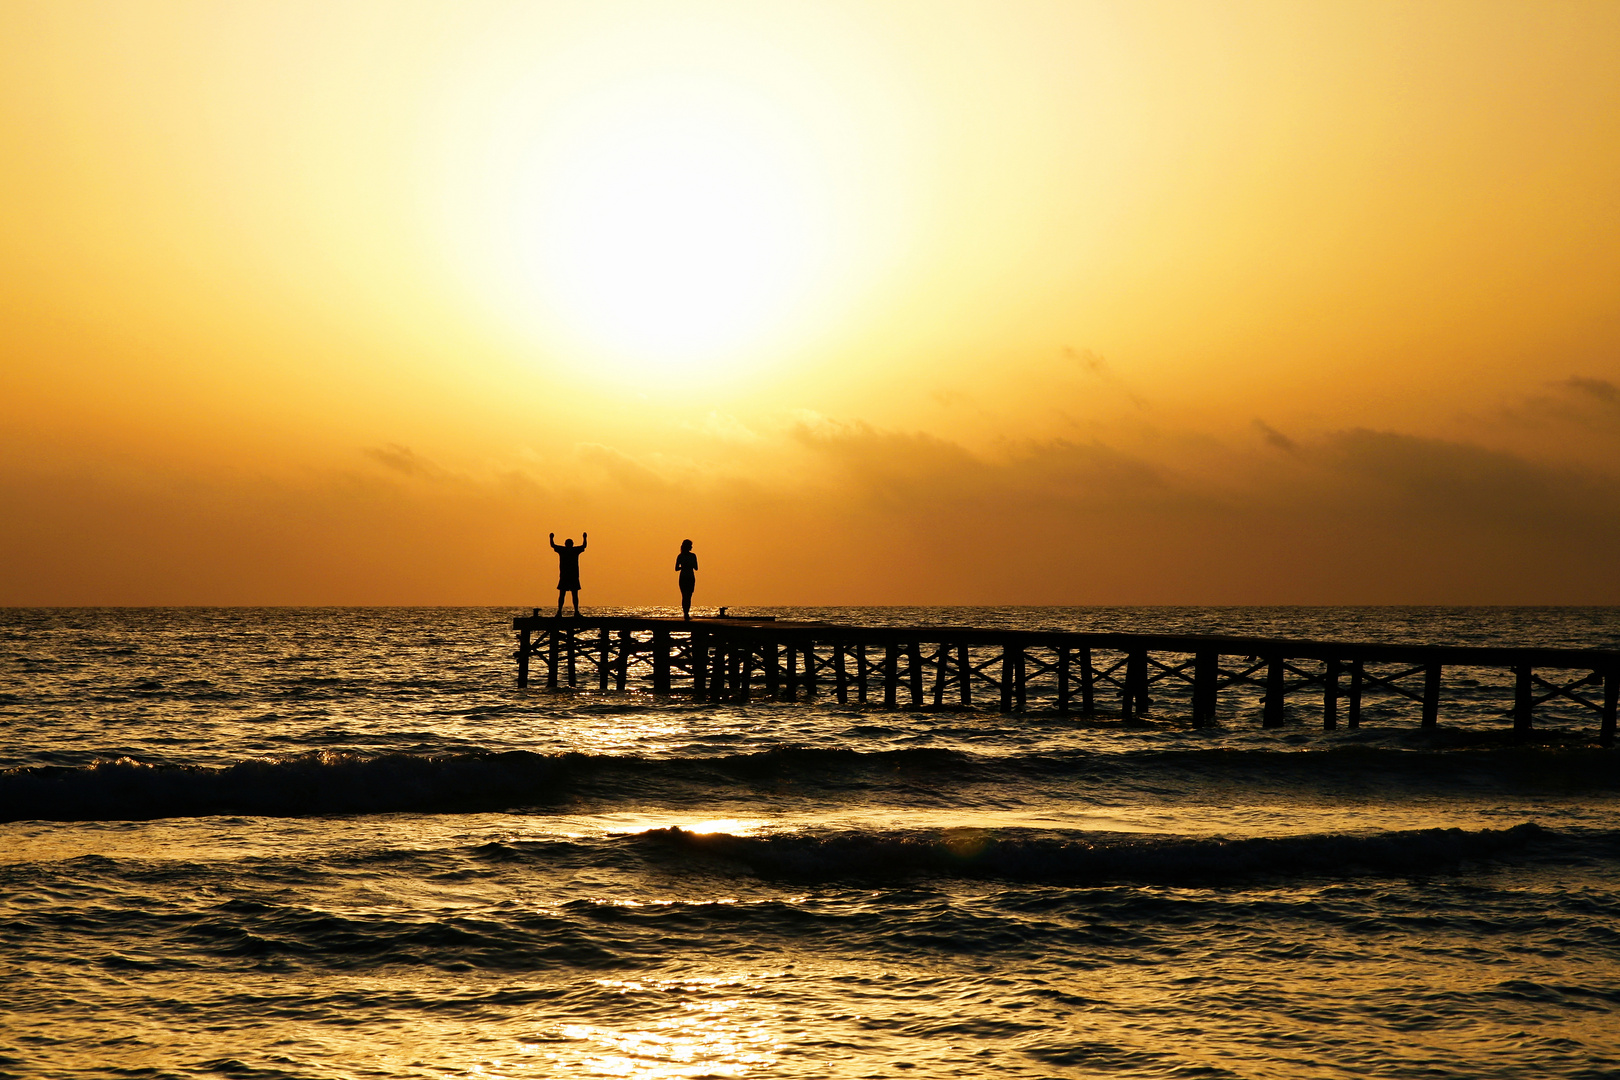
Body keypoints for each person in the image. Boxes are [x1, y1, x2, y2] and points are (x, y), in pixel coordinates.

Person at [550, 532, 587, 616]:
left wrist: (551, 538)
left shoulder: (565, 550)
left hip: (568, 576)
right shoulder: (572, 550)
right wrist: (584, 538)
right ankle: (566, 611)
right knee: (568, 595)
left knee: (568, 595)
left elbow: (553, 545)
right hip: (568, 576)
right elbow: (584, 546)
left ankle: (565, 611)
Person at [674, 539, 698, 620]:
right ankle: (686, 613)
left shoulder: (692, 556)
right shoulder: (681, 556)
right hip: (685, 577)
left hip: (689, 577)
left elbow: (696, 567)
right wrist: (684, 566)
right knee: (685, 596)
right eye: (690, 545)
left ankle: (686, 612)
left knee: (688, 596)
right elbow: (676, 568)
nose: (691, 547)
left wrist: (688, 565)